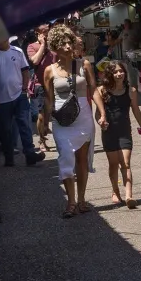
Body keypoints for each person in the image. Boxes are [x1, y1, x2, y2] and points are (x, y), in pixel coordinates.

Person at [42, 25, 95, 216]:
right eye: (62, 43)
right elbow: (48, 98)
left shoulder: (84, 64)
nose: (67, 46)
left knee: (81, 160)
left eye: (69, 42)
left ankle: (81, 199)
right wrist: (44, 122)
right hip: (61, 119)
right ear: (55, 47)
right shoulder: (49, 71)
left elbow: (93, 90)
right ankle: (70, 202)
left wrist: (102, 113)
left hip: (83, 116)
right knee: (66, 157)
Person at [94, 59, 141, 207]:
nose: (119, 74)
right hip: (109, 132)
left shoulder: (131, 91)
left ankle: (129, 196)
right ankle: (115, 191)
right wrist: (101, 121)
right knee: (113, 164)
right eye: (116, 71)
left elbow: (136, 110)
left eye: (121, 71)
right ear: (110, 74)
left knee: (125, 163)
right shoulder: (102, 90)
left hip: (125, 131)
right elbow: (98, 113)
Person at [0, 36, 42, 166]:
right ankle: (9, 157)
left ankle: (30, 154)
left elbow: (25, 70)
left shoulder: (17, 51)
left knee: (25, 125)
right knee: (5, 129)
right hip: (1, 99)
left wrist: (25, 88)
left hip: (19, 95)